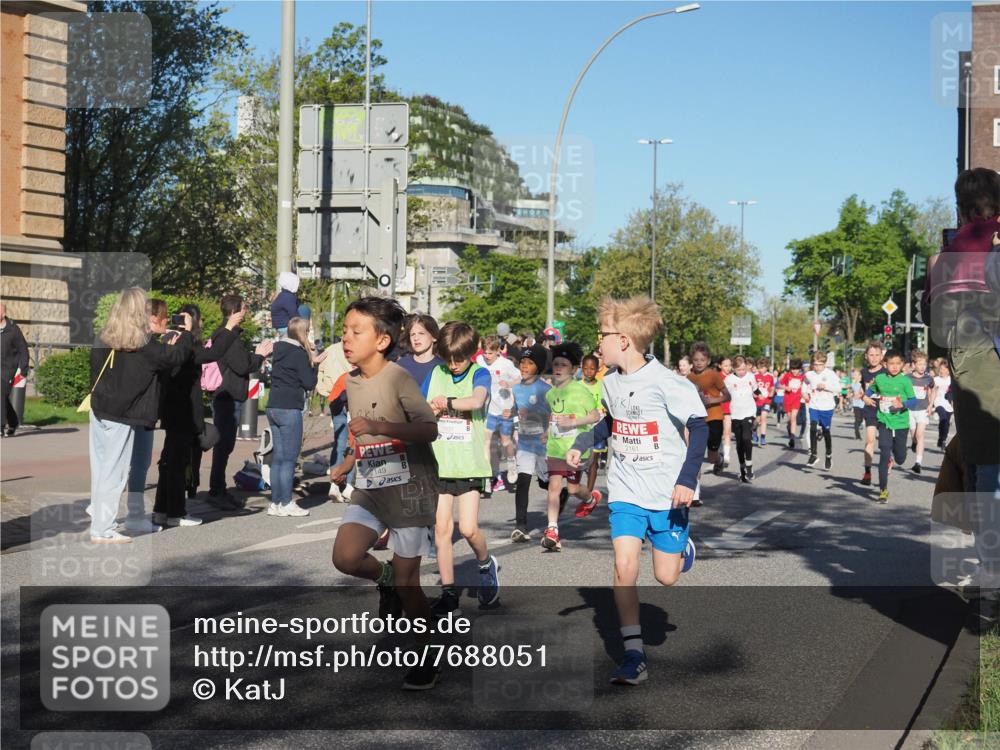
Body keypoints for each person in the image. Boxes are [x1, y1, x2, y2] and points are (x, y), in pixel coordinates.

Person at [566, 296, 705, 685]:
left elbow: (700, 426)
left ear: (623, 340)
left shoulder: (667, 382)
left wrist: (687, 480)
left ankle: (682, 548)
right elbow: (609, 424)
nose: (598, 345)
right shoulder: (610, 382)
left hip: (667, 492)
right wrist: (583, 442)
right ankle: (633, 656)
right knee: (624, 566)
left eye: (603, 337)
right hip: (626, 489)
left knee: (666, 577)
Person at [329, 296, 442, 690]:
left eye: (355, 332)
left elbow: (429, 429)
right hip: (372, 485)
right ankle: (384, 576)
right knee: (344, 557)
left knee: (410, 585)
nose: (346, 338)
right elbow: (362, 434)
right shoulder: (353, 380)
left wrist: (381, 426)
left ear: (381, 341)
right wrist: (346, 463)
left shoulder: (398, 378)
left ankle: (427, 654)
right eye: (344, 330)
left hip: (410, 488)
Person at [924, 167, 1000, 590]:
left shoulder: (952, 252)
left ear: (962, 205)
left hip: (972, 359)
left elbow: (933, 326)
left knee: (987, 461)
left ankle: (991, 565)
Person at [88, 288, 192, 543]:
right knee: (115, 471)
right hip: (123, 414)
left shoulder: (105, 337)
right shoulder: (142, 345)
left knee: (101, 468)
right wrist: (187, 333)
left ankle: (100, 521)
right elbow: (175, 356)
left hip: (101, 408)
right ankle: (103, 528)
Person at [425, 321, 500, 616]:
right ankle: (448, 593)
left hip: (469, 463)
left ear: (472, 352)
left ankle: (485, 564)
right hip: (441, 462)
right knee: (441, 530)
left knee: (467, 528)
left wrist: (449, 402)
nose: (454, 365)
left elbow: (477, 400)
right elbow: (421, 402)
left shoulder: (480, 372)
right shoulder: (437, 372)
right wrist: (428, 408)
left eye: (459, 358)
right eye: (449, 359)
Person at [153, 304, 242, 528]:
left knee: (168, 460)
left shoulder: (167, 341)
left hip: (171, 410)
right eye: (197, 320)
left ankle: (161, 510)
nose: (199, 325)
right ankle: (175, 512)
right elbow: (213, 353)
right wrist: (229, 327)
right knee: (176, 461)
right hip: (183, 410)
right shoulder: (185, 343)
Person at [207, 295, 273, 507]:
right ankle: (216, 492)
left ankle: (218, 489)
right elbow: (242, 365)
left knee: (224, 446)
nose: (246, 311)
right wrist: (260, 355)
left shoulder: (223, 334)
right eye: (244, 308)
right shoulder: (229, 338)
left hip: (225, 394)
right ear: (235, 311)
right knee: (223, 445)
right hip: (227, 395)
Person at [541, 342, 602, 551]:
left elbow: (595, 416)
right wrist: (546, 432)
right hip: (556, 449)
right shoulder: (550, 394)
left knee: (574, 489)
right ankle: (552, 529)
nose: (558, 368)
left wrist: (574, 422)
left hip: (576, 450)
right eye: (556, 364)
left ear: (573, 370)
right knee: (554, 487)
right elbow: (552, 418)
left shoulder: (580, 391)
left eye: (564, 365)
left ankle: (591, 497)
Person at [266, 316, 317, 517]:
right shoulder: (298, 353)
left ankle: (276, 502)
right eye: (309, 330)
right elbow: (309, 383)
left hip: (273, 406)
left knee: (278, 458)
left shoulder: (278, 349)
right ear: (303, 332)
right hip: (289, 408)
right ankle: (286, 502)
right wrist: (315, 363)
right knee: (289, 459)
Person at [864, 349, 918, 503]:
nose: (894, 367)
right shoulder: (879, 379)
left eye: (898, 364)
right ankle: (883, 490)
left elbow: (914, 401)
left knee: (900, 458)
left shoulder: (905, 381)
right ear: (884, 364)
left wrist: (902, 404)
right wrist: (866, 398)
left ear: (902, 365)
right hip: (884, 420)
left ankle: (896, 456)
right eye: (891, 364)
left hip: (901, 422)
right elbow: (869, 391)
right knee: (884, 452)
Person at [510, 344, 551, 542]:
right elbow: (512, 412)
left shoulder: (546, 389)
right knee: (523, 482)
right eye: (522, 363)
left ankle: (562, 495)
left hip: (543, 443)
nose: (524, 366)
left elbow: (554, 414)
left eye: (530, 363)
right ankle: (520, 526)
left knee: (546, 483)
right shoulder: (516, 388)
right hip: (525, 442)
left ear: (539, 367)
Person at [476, 334, 521, 493]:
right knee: (486, 442)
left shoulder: (506, 364)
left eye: (490, 353)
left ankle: (511, 461)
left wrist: (509, 383)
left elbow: (519, 378)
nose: (487, 356)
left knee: (506, 442)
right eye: (485, 352)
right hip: (488, 410)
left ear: (498, 351)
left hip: (505, 410)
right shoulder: (480, 362)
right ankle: (487, 477)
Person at [687, 342, 730, 484]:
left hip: (715, 417)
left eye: (702, 360)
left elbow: (727, 396)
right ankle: (695, 491)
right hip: (698, 419)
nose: (699, 363)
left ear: (709, 361)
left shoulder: (714, 375)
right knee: (696, 453)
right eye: (696, 360)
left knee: (711, 456)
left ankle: (719, 459)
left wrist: (713, 400)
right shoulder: (690, 378)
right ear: (692, 361)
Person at [802, 351, 840, 470]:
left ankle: (828, 455)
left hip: (827, 407)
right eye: (815, 364)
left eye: (820, 364)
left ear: (825, 364)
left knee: (826, 431)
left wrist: (826, 387)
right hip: (814, 405)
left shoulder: (831, 374)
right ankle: (813, 454)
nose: (817, 367)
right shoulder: (809, 374)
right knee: (813, 427)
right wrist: (804, 393)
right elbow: (805, 383)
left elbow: (838, 388)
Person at [725, 355, 758, 482]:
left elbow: (756, 389)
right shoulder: (728, 380)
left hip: (749, 411)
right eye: (739, 370)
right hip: (735, 413)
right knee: (739, 443)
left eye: (744, 369)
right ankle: (742, 468)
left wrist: (761, 396)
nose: (742, 372)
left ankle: (749, 466)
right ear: (734, 369)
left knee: (746, 437)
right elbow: (724, 394)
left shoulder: (751, 376)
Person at [0, 302, 29, 438]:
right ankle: (13, 422)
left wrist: (23, 370)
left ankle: (0, 426)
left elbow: (23, 350)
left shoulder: (13, 329)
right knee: (2, 398)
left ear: (3, 314)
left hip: (8, 369)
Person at [859, 342, 886, 486]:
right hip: (870, 409)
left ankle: (888, 458)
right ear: (866, 356)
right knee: (870, 440)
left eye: (877, 355)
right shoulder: (864, 372)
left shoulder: (886, 372)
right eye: (871, 355)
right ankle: (867, 472)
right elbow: (861, 391)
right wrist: (863, 397)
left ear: (881, 356)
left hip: (885, 409)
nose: (874, 358)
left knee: (884, 443)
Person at [907, 350, 936, 474]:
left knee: (920, 435)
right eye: (919, 364)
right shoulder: (907, 378)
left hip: (922, 409)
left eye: (924, 364)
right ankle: (914, 443)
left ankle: (918, 463)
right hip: (909, 410)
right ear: (913, 365)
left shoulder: (928, 378)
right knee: (914, 436)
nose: (922, 367)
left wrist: (931, 404)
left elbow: (934, 389)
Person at [581, 353, 607, 495]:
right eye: (586, 368)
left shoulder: (602, 386)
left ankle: (588, 492)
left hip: (597, 427)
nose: (589, 371)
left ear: (597, 369)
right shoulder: (576, 386)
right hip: (580, 428)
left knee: (593, 461)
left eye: (592, 368)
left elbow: (605, 404)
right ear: (582, 368)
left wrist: (602, 410)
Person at [396, 314, 443, 387]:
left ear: (434, 337)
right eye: (412, 334)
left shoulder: (443, 367)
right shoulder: (400, 366)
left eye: (421, 333)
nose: (416, 338)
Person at [778, 360, 805, 449]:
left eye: (796, 369)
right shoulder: (787, 375)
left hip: (796, 400)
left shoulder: (802, 377)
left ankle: (792, 438)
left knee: (793, 418)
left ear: (799, 369)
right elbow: (779, 385)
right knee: (790, 420)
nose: (794, 371)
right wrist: (786, 387)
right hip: (787, 400)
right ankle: (789, 430)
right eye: (792, 369)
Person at [269, 271, 299, 336]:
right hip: (286, 326)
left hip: (280, 326)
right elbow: (293, 313)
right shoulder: (288, 297)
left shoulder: (282, 295)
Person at [754, 357, 775, 447]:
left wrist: (771, 392)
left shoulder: (770, 377)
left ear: (766, 367)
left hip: (767, 401)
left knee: (763, 418)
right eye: (759, 367)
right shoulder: (755, 376)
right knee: (756, 420)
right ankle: (754, 430)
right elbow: (753, 388)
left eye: (762, 367)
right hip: (757, 401)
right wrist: (754, 394)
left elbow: (772, 387)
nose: (761, 369)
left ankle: (763, 437)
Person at [932, 360, 953, 449]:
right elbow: (933, 392)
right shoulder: (936, 380)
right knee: (943, 418)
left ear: (948, 370)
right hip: (939, 402)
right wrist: (931, 404)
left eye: (944, 369)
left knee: (946, 423)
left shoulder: (951, 380)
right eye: (941, 369)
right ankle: (942, 439)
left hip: (949, 405)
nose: (942, 371)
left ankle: (942, 439)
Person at [717, 357, 733, 468]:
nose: (728, 368)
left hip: (730, 408)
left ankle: (727, 456)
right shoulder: (716, 377)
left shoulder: (733, 377)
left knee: (727, 431)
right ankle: (718, 452)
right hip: (717, 408)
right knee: (718, 433)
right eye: (725, 365)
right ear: (720, 366)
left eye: (729, 365)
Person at [850, 368, 865, 440]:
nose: (855, 376)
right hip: (856, 404)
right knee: (857, 419)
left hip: (862, 404)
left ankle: (858, 431)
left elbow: (862, 393)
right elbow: (855, 392)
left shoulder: (862, 384)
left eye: (857, 374)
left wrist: (861, 395)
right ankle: (857, 435)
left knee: (861, 419)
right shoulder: (854, 384)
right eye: (854, 375)